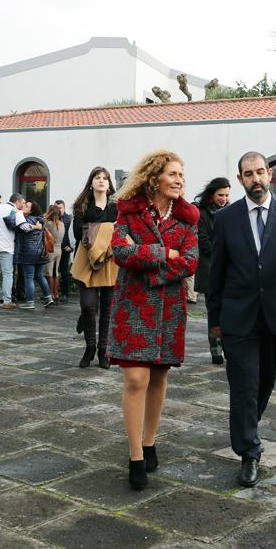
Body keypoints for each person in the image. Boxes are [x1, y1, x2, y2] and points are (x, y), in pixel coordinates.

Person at [207, 151, 276, 488]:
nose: (255, 179)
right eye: (248, 174)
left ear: (269, 174)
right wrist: (214, 320)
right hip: (238, 316)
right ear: (240, 179)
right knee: (244, 385)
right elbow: (216, 273)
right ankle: (249, 451)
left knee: (266, 379)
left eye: (260, 172)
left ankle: (246, 425)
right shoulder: (226, 218)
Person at [107, 150, 199, 490]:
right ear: (153, 177)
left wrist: (145, 256)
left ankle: (149, 440)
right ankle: (135, 456)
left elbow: (190, 262)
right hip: (133, 306)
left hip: (169, 310)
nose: (179, 180)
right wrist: (164, 253)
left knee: (158, 378)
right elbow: (120, 252)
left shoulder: (188, 219)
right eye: (173, 174)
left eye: (182, 175)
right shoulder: (128, 213)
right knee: (135, 379)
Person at [70, 167, 118, 368]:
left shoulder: (116, 207)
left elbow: (121, 232)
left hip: (110, 259)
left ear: (109, 185)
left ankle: (102, 350)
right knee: (89, 306)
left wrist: (97, 230)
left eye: (105, 178)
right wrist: (106, 230)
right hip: (87, 258)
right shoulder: (82, 205)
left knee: (107, 309)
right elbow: (79, 235)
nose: (101, 181)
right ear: (91, 182)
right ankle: (90, 347)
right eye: (97, 178)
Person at [192, 176, 231, 364]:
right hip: (210, 271)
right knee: (214, 312)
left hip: (231, 272)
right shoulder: (201, 214)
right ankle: (216, 349)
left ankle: (229, 347)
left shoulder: (232, 212)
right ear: (212, 194)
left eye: (226, 195)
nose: (224, 198)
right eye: (220, 195)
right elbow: (204, 243)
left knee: (230, 311)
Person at [14, 201, 54, 309]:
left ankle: (30, 302)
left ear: (31, 210)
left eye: (26, 206)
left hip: (28, 252)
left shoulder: (26, 220)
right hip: (39, 252)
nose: (23, 206)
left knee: (28, 278)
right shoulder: (40, 220)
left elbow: (22, 227)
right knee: (40, 276)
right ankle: (48, 298)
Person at [43, 204, 65, 303]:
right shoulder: (62, 224)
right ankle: (56, 293)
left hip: (50, 250)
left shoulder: (48, 223)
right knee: (56, 272)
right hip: (59, 250)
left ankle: (50, 294)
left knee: (49, 273)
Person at [54, 199, 73, 300]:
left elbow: (71, 234)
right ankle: (53, 292)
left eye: (60, 208)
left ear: (64, 208)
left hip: (65, 249)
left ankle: (65, 293)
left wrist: (70, 247)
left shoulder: (68, 219)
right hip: (54, 249)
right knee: (53, 271)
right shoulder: (53, 218)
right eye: (56, 208)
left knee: (64, 271)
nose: (58, 210)